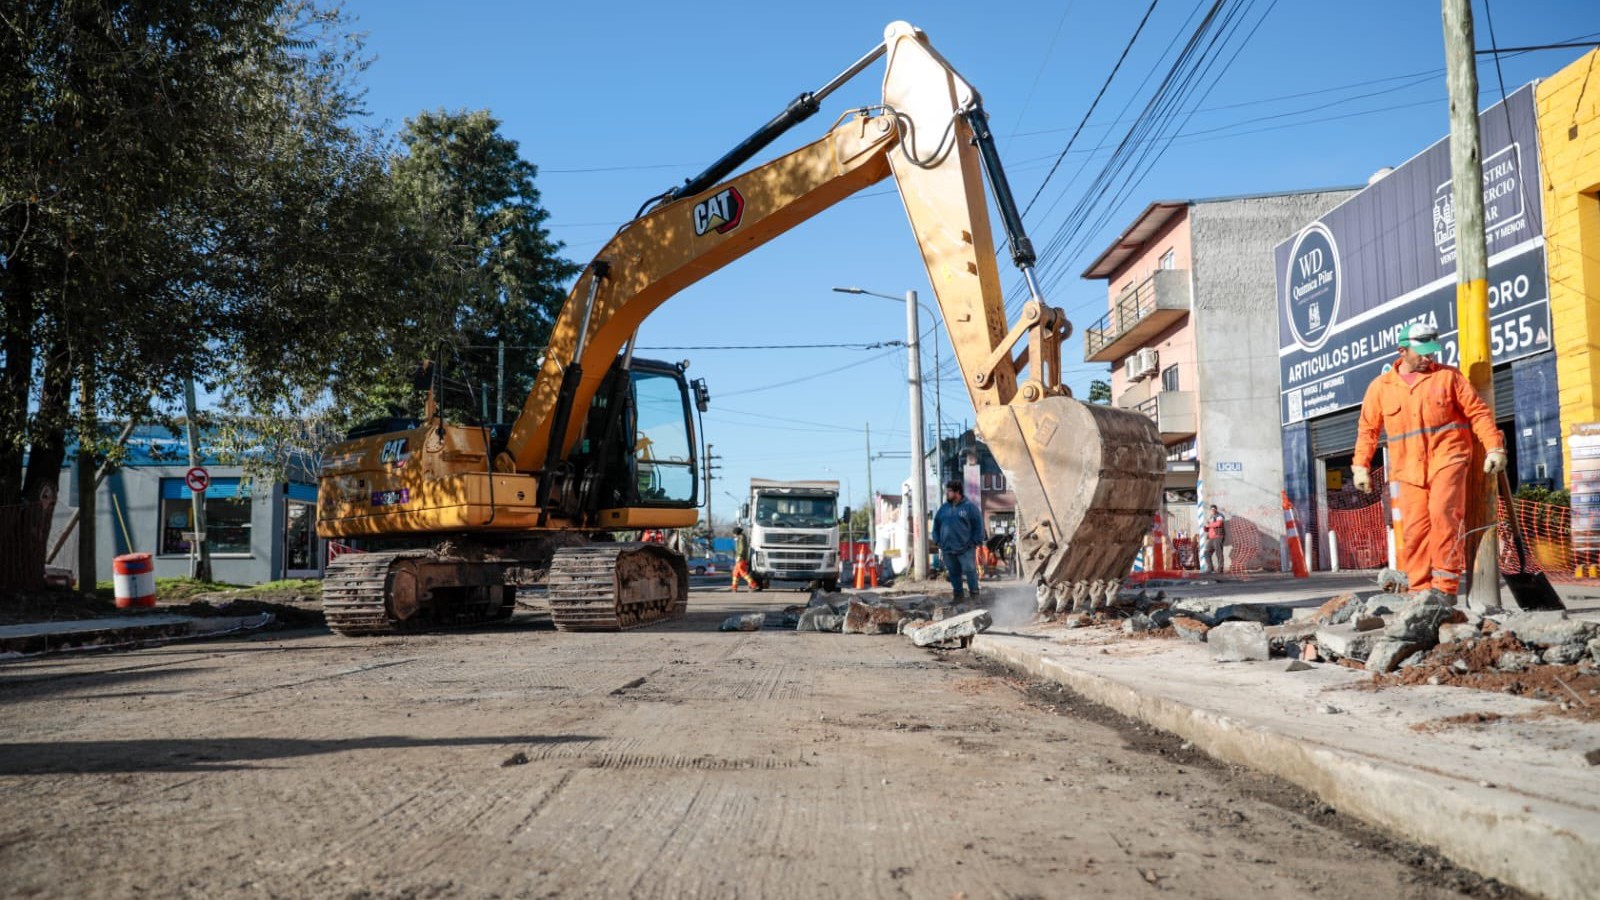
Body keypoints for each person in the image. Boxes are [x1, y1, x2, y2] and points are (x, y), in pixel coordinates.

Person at [1352, 322, 1506, 601]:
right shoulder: (1381, 387)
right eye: (1421, 353)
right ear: (1402, 351)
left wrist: (1494, 447)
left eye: (1432, 352)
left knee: (1443, 516)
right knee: (1415, 530)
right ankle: (1420, 592)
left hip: (1448, 458)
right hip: (1408, 470)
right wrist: (1361, 466)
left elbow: (1478, 413)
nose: (1429, 357)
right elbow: (1368, 429)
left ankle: (1445, 590)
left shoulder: (1449, 378)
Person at [933, 479, 986, 602]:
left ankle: (974, 595)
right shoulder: (943, 509)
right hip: (948, 549)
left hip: (965, 548)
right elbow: (936, 526)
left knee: (970, 571)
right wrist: (937, 541)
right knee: (953, 573)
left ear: (958, 492)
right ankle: (958, 596)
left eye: (949, 492)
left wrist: (974, 542)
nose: (947, 494)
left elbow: (978, 526)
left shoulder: (969, 507)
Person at [730, 526, 760, 592]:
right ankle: (734, 587)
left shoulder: (741, 538)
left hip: (741, 558)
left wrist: (739, 556)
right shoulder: (740, 538)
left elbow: (742, 548)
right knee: (735, 573)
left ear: (737, 533)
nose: (733, 535)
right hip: (740, 558)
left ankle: (754, 585)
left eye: (734, 533)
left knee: (743, 573)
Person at [1200, 505, 1226, 574]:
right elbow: (1210, 527)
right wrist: (1205, 527)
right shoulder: (1211, 517)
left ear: (1216, 509)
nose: (1213, 510)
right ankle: (1210, 568)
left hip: (1218, 536)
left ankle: (1220, 569)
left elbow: (1219, 524)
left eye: (1214, 509)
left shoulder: (1219, 515)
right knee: (1206, 552)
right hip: (1211, 538)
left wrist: (1209, 525)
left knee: (1219, 553)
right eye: (1211, 509)